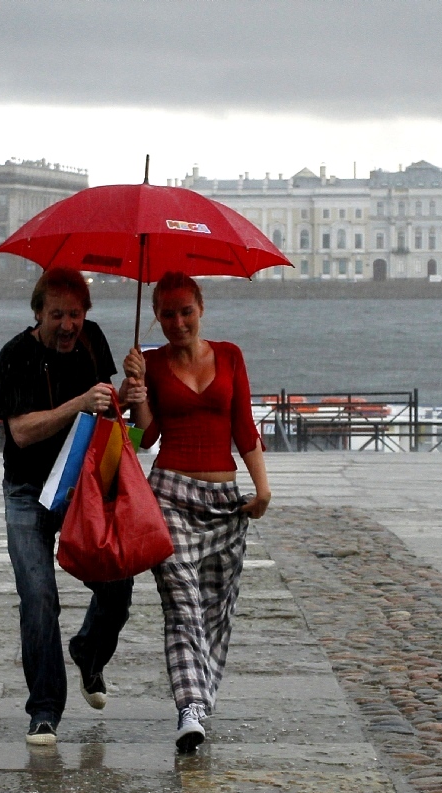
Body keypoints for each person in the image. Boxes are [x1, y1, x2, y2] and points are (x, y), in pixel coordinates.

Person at [0, 267, 148, 747]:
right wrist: (79, 402)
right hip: (26, 491)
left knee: (118, 582)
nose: (67, 324)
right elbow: (20, 431)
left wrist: (128, 394)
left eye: (75, 314)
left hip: (82, 485)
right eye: (56, 314)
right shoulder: (15, 355)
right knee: (39, 597)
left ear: (86, 315)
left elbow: (112, 419)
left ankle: (89, 652)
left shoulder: (93, 341)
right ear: (37, 313)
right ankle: (44, 710)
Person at [122, 271, 271, 753]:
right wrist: (137, 396)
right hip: (169, 495)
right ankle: (189, 707)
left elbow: (243, 425)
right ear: (157, 316)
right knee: (182, 607)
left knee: (216, 612)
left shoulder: (229, 355)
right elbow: (145, 439)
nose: (178, 321)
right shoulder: (149, 363)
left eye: (186, 310)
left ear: (201, 307)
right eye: (167, 313)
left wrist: (262, 488)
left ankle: (202, 702)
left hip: (226, 503)